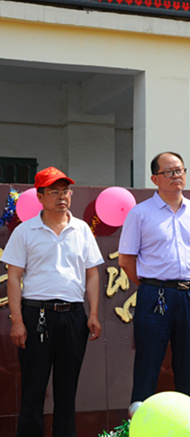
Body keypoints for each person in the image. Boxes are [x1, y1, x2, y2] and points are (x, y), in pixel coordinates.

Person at [2, 167, 103, 437]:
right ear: (40, 196)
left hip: (73, 316)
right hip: (37, 316)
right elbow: (14, 277)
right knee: (33, 391)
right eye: (54, 192)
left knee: (67, 391)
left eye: (66, 191)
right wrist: (17, 321)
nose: (62, 197)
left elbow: (92, 274)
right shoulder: (25, 231)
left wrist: (93, 313)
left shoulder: (82, 230)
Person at [118, 152, 190, 403]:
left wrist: (185, 281)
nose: (176, 176)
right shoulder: (140, 213)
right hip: (154, 295)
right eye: (169, 172)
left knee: (188, 365)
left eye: (180, 170)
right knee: (147, 364)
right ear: (155, 178)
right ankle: (138, 420)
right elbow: (126, 261)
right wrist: (154, 284)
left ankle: (188, 421)